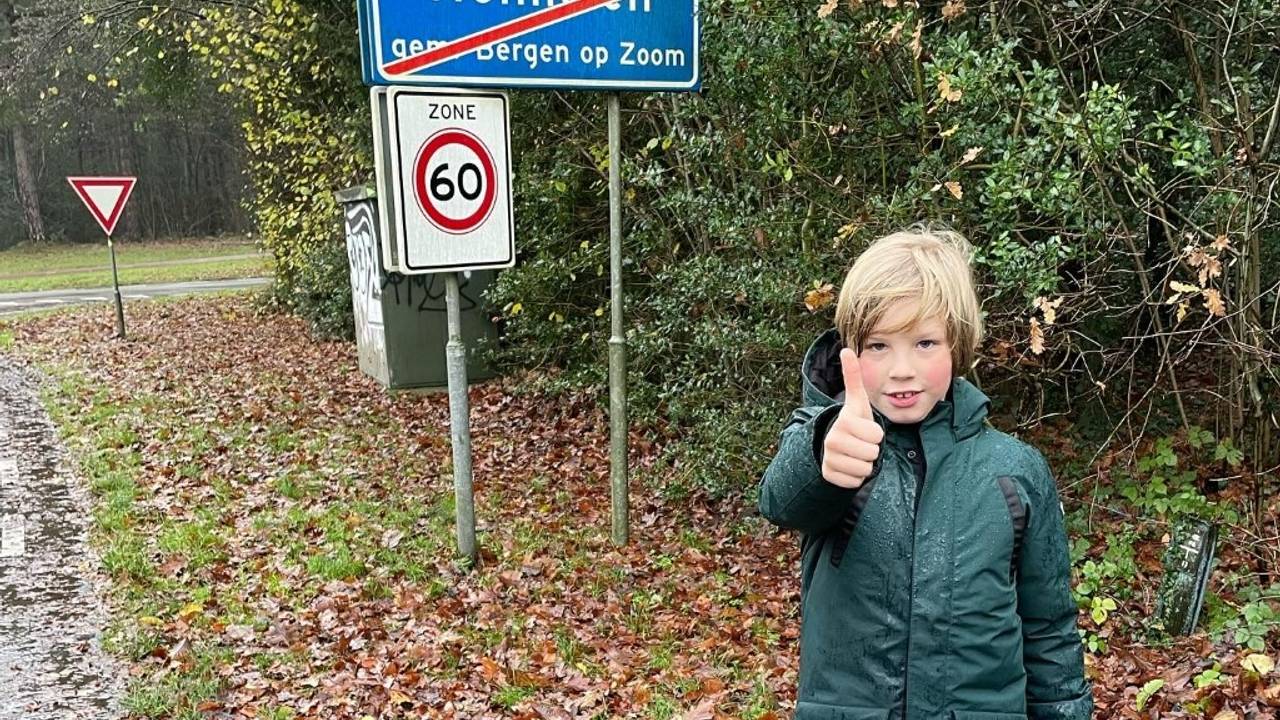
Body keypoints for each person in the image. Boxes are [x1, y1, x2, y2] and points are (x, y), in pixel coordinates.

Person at [758, 225, 1093, 720]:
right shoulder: (833, 443)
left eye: (925, 343)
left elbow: (1049, 629)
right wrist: (824, 453)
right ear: (852, 352)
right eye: (878, 346)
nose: (902, 369)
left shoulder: (1016, 471)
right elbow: (780, 501)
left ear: (957, 344)